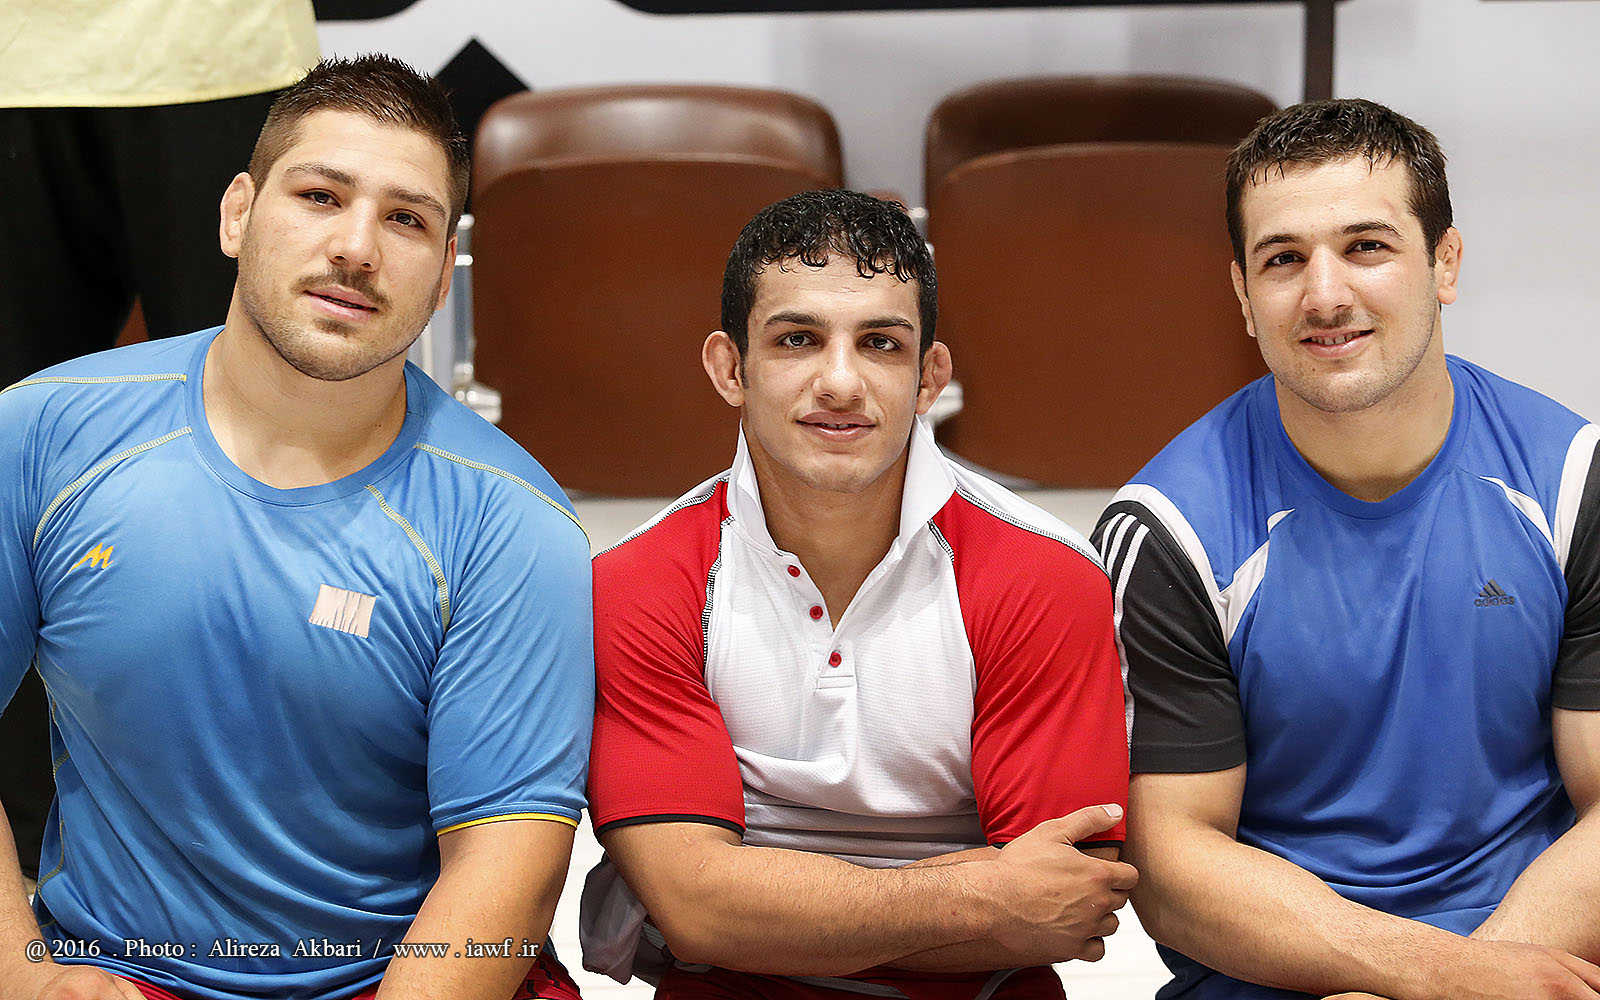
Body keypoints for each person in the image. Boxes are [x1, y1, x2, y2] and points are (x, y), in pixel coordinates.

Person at [0, 55, 593, 1000]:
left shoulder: (513, 520)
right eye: (321, 196)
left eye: (406, 220)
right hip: (120, 974)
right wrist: (25, 977)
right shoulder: (42, 433)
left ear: (445, 276)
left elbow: (507, 865)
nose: (356, 247)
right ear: (237, 214)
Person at [1092, 98, 1600, 1000]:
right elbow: (1170, 863)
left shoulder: (1572, 482)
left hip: (1540, 958)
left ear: (1445, 262)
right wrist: (1432, 977)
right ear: (1243, 296)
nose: (1325, 295)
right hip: (1280, 976)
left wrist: (1476, 981)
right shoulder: (1166, 530)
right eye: (1283, 259)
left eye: (1367, 246)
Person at [579, 188, 1134, 999]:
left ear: (929, 377)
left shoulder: (1047, 577)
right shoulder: (636, 584)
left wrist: (763, 903)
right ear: (730, 369)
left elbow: (1062, 908)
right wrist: (983, 894)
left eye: (879, 343)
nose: (840, 382)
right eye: (797, 340)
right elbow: (696, 910)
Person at [0, 0, 321, 891]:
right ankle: (28, 862)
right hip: (15, 63)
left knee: (269, 445)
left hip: (219, 48)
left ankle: (281, 840)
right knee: (8, 480)